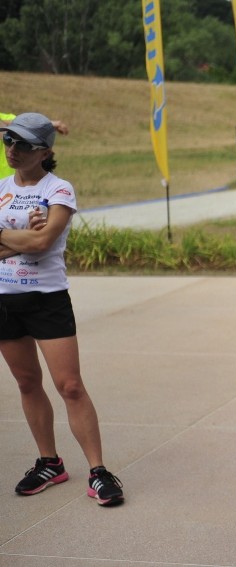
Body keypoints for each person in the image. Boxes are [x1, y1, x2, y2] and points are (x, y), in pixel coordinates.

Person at [1, 113, 124, 506]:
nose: (13, 151)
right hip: (5, 298)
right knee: (26, 383)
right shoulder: (0, 188)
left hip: (47, 299)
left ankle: (99, 471)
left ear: (46, 152)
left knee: (69, 386)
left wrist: (19, 240)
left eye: (23, 145)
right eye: (9, 142)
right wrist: (25, 237)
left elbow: (44, 244)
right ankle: (49, 462)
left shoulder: (60, 190)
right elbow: (33, 241)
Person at [0, 112, 68, 178]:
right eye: (8, 139)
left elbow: (26, 126)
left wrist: (46, 126)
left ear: (46, 154)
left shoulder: (8, 118)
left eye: (23, 145)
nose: (11, 150)